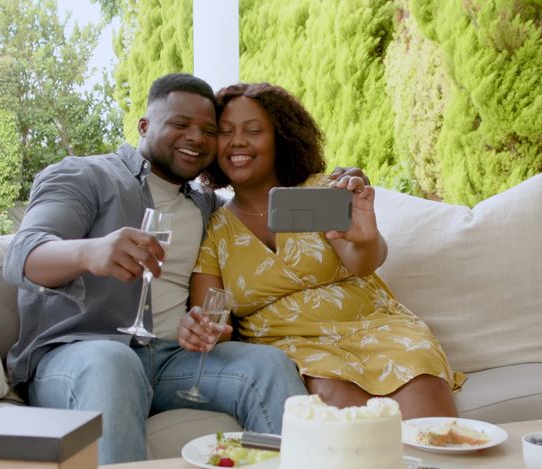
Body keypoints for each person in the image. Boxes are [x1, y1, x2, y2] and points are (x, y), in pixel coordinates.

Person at [3, 74, 307, 465]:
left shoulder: (206, 207)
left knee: (267, 365)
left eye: (208, 130)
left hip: (172, 360)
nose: (196, 137)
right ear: (144, 126)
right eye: (181, 124)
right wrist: (90, 252)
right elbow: (22, 255)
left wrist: (342, 187)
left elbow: (269, 208)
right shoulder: (86, 176)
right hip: (80, 356)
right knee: (115, 363)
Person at [179, 82, 465, 420]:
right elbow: (212, 322)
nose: (238, 141)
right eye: (225, 132)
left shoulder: (320, 191)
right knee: (340, 411)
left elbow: (363, 263)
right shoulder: (215, 230)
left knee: (424, 391)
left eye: (253, 130)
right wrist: (199, 329)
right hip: (295, 350)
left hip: (376, 329)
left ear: (280, 139)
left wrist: (365, 238)